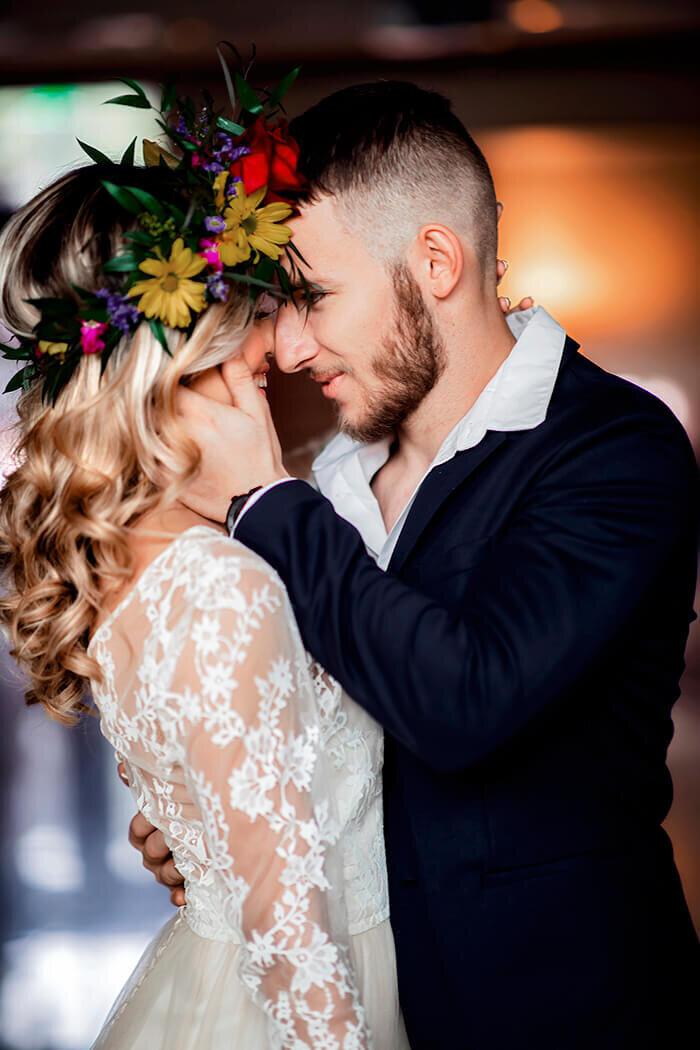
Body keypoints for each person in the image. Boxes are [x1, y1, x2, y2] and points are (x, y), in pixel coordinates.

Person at [131, 82, 700, 1049]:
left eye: (314, 296)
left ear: (435, 260)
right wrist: (218, 816)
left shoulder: (616, 450)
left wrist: (265, 501)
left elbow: (465, 699)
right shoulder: (331, 479)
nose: (294, 344)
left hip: (567, 1018)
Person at [0, 83, 415, 1045]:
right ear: (168, 364)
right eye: (248, 328)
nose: (276, 342)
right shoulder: (221, 584)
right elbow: (289, 940)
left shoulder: (141, 561)